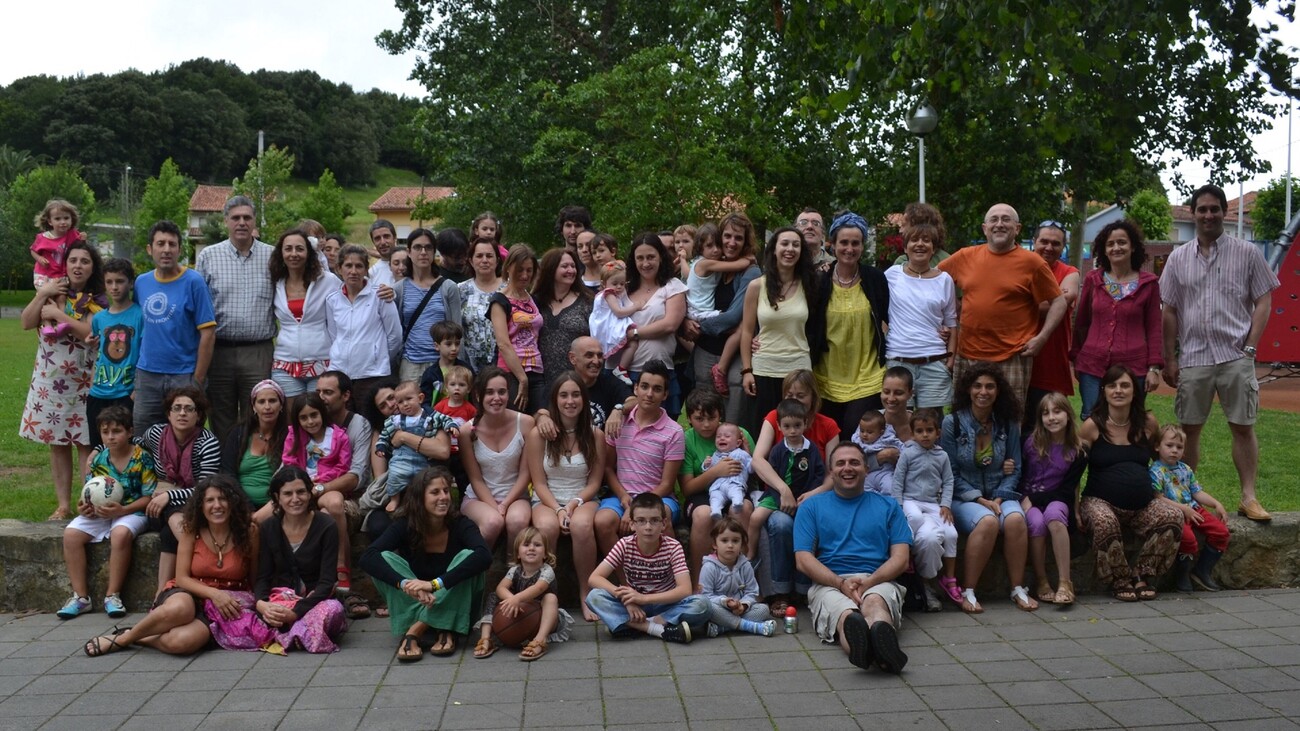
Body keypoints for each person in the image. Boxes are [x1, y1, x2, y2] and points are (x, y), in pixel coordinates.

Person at [1160, 184, 1279, 522]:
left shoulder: (1247, 252)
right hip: (1194, 357)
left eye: (1214, 209)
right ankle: (1185, 497)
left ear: (1224, 212)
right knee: (1189, 430)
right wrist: (1170, 357)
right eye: (1202, 209)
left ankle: (1249, 497)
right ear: (1194, 213)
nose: (1208, 215)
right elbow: (1168, 310)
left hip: (1234, 355)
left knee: (1242, 426)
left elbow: (1264, 300)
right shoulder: (1178, 258)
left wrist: (1251, 346)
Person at [84, 475, 261, 657]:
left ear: (233, 502)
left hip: (226, 601)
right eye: (210, 500)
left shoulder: (249, 532)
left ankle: (134, 635)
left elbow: (255, 577)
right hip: (188, 591)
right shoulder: (191, 529)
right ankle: (120, 640)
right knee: (182, 609)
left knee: (181, 643)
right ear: (201, 505)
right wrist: (214, 594)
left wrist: (261, 605)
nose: (217, 505)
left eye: (223, 499)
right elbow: (182, 578)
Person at [794, 442, 912, 673]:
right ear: (831, 472)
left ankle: (878, 648)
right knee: (847, 616)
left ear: (867, 469)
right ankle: (877, 654)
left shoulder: (888, 506)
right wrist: (840, 583)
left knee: (875, 603)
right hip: (830, 582)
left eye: (854, 463)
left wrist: (869, 582)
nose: (847, 468)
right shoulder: (811, 507)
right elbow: (803, 559)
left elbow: (901, 559)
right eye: (841, 463)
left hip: (877, 579)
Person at [937, 203, 1067, 409]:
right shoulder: (964, 257)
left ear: (1017, 228)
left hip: (1012, 355)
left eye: (1006, 219)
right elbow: (931, 283)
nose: (999, 224)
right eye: (994, 220)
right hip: (968, 354)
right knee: (964, 418)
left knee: (1009, 422)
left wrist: (1042, 337)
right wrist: (943, 322)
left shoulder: (1033, 263)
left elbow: (1059, 301)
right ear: (984, 228)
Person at [361, 466, 492, 661]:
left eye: (446, 491)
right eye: (435, 492)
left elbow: (484, 556)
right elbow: (368, 557)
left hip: (454, 601)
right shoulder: (405, 524)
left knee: (468, 557)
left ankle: (417, 628)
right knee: (385, 558)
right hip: (417, 598)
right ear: (419, 497)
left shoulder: (461, 524)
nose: (444, 497)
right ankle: (440, 626)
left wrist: (434, 584)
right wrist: (405, 584)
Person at [1077, 365, 1183, 601]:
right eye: (1112, 386)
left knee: (1173, 517)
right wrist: (1074, 508)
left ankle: (1142, 574)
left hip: (1143, 505)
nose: (1118, 391)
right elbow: (1073, 471)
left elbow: (1161, 460)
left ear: (1134, 391)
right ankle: (1119, 580)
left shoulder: (1148, 423)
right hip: (1099, 500)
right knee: (1105, 523)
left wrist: (1174, 494)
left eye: (1125, 385)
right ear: (1103, 391)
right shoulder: (1092, 426)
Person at [20, 240, 105, 520]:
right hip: (50, 378)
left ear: (93, 267)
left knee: (85, 441)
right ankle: (63, 505)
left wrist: (58, 314)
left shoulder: (99, 298)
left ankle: (87, 502)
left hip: (85, 379)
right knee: (57, 442)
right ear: (65, 264)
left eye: (85, 261)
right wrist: (43, 292)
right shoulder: (52, 290)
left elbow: (88, 331)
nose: (78, 266)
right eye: (73, 260)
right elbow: (26, 321)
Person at [941, 364, 1035, 613]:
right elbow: (949, 472)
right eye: (978, 386)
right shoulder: (953, 423)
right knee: (988, 522)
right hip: (965, 497)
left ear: (998, 391)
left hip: (1000, 494)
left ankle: (1017, 588)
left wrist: (1001, 499)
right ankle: (969, 590)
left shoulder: (1008, 424)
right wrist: (982, 500)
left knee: (1015, 520)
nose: (983, 392)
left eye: (990, 386)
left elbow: (1015, 467)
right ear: (968, 390)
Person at [57, 406, 157, 620]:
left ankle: (113, 595)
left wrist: (123, 510)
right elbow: (88, 492)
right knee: (71, 535)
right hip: (101, 512)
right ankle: (81, 597)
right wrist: (83, 507)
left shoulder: (142, 458)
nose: (111, 437)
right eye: (105, 432)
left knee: (120, 534)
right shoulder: (98, 460)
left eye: (117, 431)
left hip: (133, 510)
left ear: (130, 432)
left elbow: (149, 497)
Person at [524, 372, 606, 620]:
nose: (570, 401)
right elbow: (538, 482)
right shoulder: (539, 435)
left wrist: (574, 503)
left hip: (583, 498)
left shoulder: (595, 435)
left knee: (582, 526)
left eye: (575, 394)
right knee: (546, 528)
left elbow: (595, 481)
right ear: (554, 400)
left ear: (584, 398)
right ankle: (546, 595)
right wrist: (558, 509)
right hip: (547, 499)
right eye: (564, 395)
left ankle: (586, 593)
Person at [197, 195, 275, 443]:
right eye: (236, 218)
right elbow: (198, 306)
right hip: (219, 351)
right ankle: (224, 475)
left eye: (247, 217)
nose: (241, 222)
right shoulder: (208, 256)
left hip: (258, 351)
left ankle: (253, 471)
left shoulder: (272, 256)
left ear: (254, 221)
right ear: (226, 222)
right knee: (221, 415)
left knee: (260, 412)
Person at [585, 492, 709, 643]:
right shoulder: (624, 544)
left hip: (665, 605)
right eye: (641, 521)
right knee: (594, 597)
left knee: (703, 605)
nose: (648, 527)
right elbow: (594, 578)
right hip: (635, 604)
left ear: (664, 524)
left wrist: (644, 598)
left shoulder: (673, 546)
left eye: (654, 521)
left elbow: (684, 589)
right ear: (632, 524)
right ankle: (658, 630)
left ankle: (631, 624)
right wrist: (627, 600)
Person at [809, 212, 891, 438]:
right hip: (826, 376)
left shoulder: (875, 279)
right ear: (832, 245)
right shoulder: (819, 281)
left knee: (854, 439)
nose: (849, 248)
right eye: (843, 242)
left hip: (867, 375)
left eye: (856, 243)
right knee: (831, 444)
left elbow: (887, 317)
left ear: (863, 246)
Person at [1070, 219, 1162, 417]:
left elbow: (1154, 327)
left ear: (1133, 246)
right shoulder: (1093, 280)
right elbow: (1081, 322)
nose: (1116, 248)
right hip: (1092, 367)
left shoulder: (1149, 284)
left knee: (1130, 422)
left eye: (1122, 242)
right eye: (1110, 244)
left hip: (1134, 369)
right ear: (1103, 250)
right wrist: (1077, 358)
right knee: (1092, 418)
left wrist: (1154, 367)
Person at [132, 220, 216, 436]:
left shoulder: (193, 282)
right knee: (143, 436)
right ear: (150, 249)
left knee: (186, 437)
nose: (166, 249)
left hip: (183, 374)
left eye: (172, 244)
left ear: (180, 249)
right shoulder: (141, 282)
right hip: (148, 374)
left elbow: (207, 333)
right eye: (161, 244)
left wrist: (197, 379)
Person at [254, 466, 348, 653]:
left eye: (301, 492)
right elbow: (263, 576)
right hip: (282, 598)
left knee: (333, 610)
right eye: (287, 494)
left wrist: (295, 612)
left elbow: (327, 582)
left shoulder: (325, 525)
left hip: (315, 602)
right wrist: (261, 604)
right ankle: (299, 634)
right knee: (263, 613)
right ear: (277, 498)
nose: (295, 499)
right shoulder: (269, 528)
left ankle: (288, 633)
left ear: (309, 493)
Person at [597, 361, 685, 555]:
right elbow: (608, 468)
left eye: (657, 389)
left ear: (665, 394)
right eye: (644, 387)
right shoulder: (618, 423)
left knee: (659, 520)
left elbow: (667, 484)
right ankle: (624, 581)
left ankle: (671, 576)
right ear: (635, 388)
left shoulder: (674, 432)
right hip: (622, 495)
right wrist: (623, 496)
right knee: (602, 522)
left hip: (659, 496)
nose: (649, 394)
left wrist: (637, 507)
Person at [143, 386, 221, 592]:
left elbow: (204, 489)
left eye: (189, 409)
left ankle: (161, 592)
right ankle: (204, 554)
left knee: (170, 531)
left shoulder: (208, 443)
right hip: (157, 505)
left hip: (193, 502)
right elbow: (133, 446)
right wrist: (98, 449)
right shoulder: (155, 434)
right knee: (167, 509)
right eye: (176, 408)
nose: (182, 413)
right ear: (168, 413)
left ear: (199, 415)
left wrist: (169, 495)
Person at [686, 214, 760, 426]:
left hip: (736, 353)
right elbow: (688, 294)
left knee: (732, 417)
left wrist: (700, 326)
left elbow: (734, 317)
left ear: (746, 241)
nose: (731, 242)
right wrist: (684, 322)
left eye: (738, 238)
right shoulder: (714, 266)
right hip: (705, 352)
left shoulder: (749, 271)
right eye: (727, 236)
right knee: (703, 416)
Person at [313, 371, 377, 606]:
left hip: (347, 497)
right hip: (305, 492)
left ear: (346, 395)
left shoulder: (358, 424)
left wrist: (320, 489)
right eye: (318, 392)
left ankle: (338, 582)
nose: (321, 398)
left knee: (329, 512)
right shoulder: (309, 417)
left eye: (328, 392)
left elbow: (356, 477)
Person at [679, 389, 756, 585]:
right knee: (704, 515)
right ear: (689, 419)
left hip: (737, 487)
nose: (706, 424)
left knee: (742, 509)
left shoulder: (738, 432)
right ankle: (699, 582)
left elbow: (756, 470)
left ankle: (744, 581)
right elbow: (687, 488)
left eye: (711, 418)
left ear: (720, 415)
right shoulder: (687, 439)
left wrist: (749, 457)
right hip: (702, 493)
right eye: (699, 418)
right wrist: (715, 471)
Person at [740, 227, 816, 419]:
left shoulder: (810, 285)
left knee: (797, 430)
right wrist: (747, 370)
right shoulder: (757, 286)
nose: (790, 249)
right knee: (763, 428)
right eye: (784, 243)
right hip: (764, 368)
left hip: (799, 369)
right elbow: (747, 331)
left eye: (796, 245)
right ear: (774, 249)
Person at [884, 212, 957, 408]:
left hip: (934, 362)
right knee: (898, 422)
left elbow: (952, 321)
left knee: (931, 426)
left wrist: (950, 360)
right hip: (898, 361)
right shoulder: (892, 275)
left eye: (926, 240)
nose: (920, 244)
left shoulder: (944, 280)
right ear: (905, 247)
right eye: (914, 240)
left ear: (933, 249)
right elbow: (879, 311)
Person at [1019, 393, 1085, 605]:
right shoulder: (1030, 443)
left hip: (1057, 498)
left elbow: (1067, 490)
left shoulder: (1079, 451)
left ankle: (1065, 582)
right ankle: (1041, 580)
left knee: (1054, 515)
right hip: (1028, 499)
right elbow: (1020, 475)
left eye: (1057, 411)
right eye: (1046, 413)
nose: (1052, 418)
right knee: (1037, 522)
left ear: (1068, 414)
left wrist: (1035, 498)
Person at [891, 409, 958, 611]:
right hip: (910, 500)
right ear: (913, 434)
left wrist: (946, 504)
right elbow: (897, 480)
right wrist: (898, 506)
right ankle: (907, 549)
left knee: (951, 533)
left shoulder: (942, 455)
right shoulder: (908, 453)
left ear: (938, 433)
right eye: (919, 431)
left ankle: (948, 578)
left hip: (932, 503)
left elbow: (948, 481)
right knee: (914, 517)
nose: (925, 435)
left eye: (930, 430)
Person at [460, 367, 535, 548]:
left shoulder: (525, 423)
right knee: (493, 523)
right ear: (478, 395)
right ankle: (479, 568)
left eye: (502, 392)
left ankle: (512, 567)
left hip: (516, 495)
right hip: (479, 497)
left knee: (517, 521)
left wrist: (505, 504)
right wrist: (495, 507)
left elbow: (526, 474)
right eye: (489, 392)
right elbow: (475, 478)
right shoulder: (466, 432)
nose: (496, 398)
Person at [1151, 425, 1231, 593]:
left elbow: (1197, 492)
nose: (1174, 451)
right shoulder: (1155, 471)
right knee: (1188, 540)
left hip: (1193, 509)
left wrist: (1216, 504)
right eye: (1169, 445)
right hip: (1175, 513)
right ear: (1157, 446)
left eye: (1179, 447)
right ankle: (1182, 575)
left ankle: (1202, 571)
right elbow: (1157, 498)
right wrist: (1182, 509)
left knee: (1221, 532)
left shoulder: (1185, 469)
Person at [473, 527, 574, 661]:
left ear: (545, 554)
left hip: (544, 617)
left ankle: (540, 640)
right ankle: (486, 638)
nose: (531, 548)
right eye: (526, 545)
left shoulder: (547, 571)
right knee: (493, 596)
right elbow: (500, 587)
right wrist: (512, 599)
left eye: (537, 545)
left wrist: (517, 599)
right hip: (520, 614)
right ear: (518, 554)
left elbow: (538, 589)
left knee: (550, 598)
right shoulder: (515, 570)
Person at [617, 234, 688, 418]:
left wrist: (634, 334)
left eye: (651, 257)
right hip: (627, 372)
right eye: (640, 258)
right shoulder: (625, 289)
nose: (645, 263)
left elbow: (669, 325)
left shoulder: (672, 286)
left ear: (661, 257)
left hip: (661, 372)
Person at [747, 398, 825, 564]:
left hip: (803, 495)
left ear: (805, 424)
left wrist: (809, 494)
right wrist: (779, 498)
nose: (792, 431)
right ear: (779, 426)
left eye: (797, 425)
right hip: (777, 495)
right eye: (787, 426)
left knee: (810, 523)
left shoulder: (812, 450)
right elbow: (772, 477)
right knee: (755, 518)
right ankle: (750, 553)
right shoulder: (777, 450)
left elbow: (819, 474)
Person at [325, 244, 402, 410]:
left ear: (366, 269)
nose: (354, 271)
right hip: (341, 373)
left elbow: (395, 335)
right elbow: (334, 335)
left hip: (372, 374)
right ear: (339, 269)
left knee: (369, 422)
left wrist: (378, 355)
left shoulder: (380, 296)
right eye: (348, 266)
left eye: (359, 266)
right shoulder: (332, 300)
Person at [269, 227, 341, 397]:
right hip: (285, 363)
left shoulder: (327, 281)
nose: (294, 254)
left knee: (317, 419)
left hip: (322, 361)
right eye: (288, 249)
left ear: (309, 253)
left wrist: (384, 291)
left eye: (300, 249)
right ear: (281, 253)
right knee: (290, 420)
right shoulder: (275, 283)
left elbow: (352, 294)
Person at [1025, 221, 1080, 421]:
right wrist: (1054, 300)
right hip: (1017, 362)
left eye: (1056, 244)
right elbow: (1058, 301)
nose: (1049, 247)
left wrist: (1021, 305)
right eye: (1044, 241)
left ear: (1063, 247)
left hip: (1052, 367)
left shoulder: (1069, 272)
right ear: (1034, 242)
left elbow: (1066, 298)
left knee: (1052, 427)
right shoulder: (1019, 268)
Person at [86, 258, 143, 448]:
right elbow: (98, 353)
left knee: (124, 448)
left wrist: (134, 393)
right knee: (99, 448)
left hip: (125, 394)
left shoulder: (140, 315)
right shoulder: (99, 318)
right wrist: (92, 384)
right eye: (109, 282)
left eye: (119, 281)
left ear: (131, 283)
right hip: (98, 394)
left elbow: (145, 354)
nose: (114, 287)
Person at [396, 227, 463, 382]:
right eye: (418, 247)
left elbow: (457, 329)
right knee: (410, 405)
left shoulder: (448, 287)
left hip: (442, 362)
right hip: (410, 363)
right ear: (409, 251)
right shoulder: (399, 289)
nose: (423, 252)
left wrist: (458, 364)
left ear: (434, 252)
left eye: (428, 247)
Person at [377, 381, 453, 513]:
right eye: (400, 402)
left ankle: (421, 504)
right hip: (402, 458)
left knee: (423, 481)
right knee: (395, 475)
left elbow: (445, 419)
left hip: (422, 459)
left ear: (420, 398)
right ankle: (394, 499)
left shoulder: (430, 417)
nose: (405, 404)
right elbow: (384, 434)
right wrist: (381, 446)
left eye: (409, 399)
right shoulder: (395, 420)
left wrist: (452, 427)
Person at [219, 380, 288, 523]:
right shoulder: (239, 434)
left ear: (281, 405)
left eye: (272, 401)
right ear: (254, 407)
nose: (267, 407)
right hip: (239, 502)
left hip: (277, 503)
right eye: (261, 402)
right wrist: (247, 506)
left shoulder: (289, 436)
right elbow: (228, 473)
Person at [534, 336, 632, 433]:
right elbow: (540, 413)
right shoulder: (559, 384)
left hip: (598, 445)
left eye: (599, 355)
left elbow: (634, 401)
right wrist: (542, 418)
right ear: (573, 358)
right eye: (589, 355)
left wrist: (619, 409)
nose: (596, 361)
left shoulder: (610, 383)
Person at [489, 244, 546, 413]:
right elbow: (503, 344)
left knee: (541, 418)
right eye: (520, 270)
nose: (524, 275)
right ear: (509, 268)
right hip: (511, 372)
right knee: (516, 421)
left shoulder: (533, 298)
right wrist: (522, 379)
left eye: (529, 270)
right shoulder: (499, 301)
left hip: (536, 368)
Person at [699, 517, 776, 637]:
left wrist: (743, 605)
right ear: (715, 544)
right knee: (708, 607)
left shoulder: (745, 565)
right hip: (719, 609)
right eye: (724, 541)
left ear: (742, 544)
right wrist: (725, 602)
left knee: (764, 610)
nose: (730, 545)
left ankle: (723, 628)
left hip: (739, 610)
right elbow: (705, 596)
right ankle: (751, 627)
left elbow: (752, 592)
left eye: (735, 541)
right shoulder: (709, 567)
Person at [533, 247, 595, 391]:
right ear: (551, 269)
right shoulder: (536, 302)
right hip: (542, 382)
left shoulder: (588, 301)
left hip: (577, 384)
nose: (571, 270)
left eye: (573, 266)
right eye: (565, 266)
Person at [30, 199, 84, 339]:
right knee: (45, 297)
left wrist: (83, 238)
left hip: (60, 273)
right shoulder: (43, 237)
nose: (63, 222)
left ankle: (61, 321)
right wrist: (39, 259)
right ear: (49, 221)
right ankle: (47, 324)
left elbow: (82, 247)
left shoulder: (72, 234)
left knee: (61, 296)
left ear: (72, 219)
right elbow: (33, 250)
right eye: (58, 219)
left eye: (66, 218)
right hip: (44, 273)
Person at [282, 393, 352, 487]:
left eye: (314, 415)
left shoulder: (340, 438)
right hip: (299, 484)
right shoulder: (293, 435)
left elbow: (343, 466)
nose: (310, 422)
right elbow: (289, 461)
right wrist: (303, 480)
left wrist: (321, 479)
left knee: (334, 501)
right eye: (303, 418)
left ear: (322, 413)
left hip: (328, 485)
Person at [590, 261, 642, 385]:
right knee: (633, 342)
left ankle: (620, 368)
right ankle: (621, 369)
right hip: (610, 326)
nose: (619, 287)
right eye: (615, 283)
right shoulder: (609, 294)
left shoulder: (605, 294)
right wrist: (636, 307)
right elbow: (618, 312)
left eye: (622, 284)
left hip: (605, 325)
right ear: (603, 283)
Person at [458, 238, 505, 373]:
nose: (484, 260)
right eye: (479, 256)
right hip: (468, 367)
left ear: (497, 260)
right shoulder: (460, 290)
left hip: (503, 365)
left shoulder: (509, 289)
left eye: (489, 256)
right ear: (471, 261)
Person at [704, 423, 752, 519]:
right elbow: (708, 471)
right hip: (718, 486)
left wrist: (751, 460)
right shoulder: (715, 455)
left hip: (734, 482)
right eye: (718, 436)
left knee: (736, 491)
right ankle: (716, 511)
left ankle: (737, 503)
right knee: (715, 497)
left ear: (738, 443)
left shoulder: (741, 453)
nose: (722, 438)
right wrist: (706, 465)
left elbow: (751, 467)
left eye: (727, 436)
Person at [418, 322, 472, 407]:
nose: (454, 348)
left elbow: (474, 397)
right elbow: (425, 402)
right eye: (448, 344)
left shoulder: (466, 369)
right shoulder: (430, 373)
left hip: (464, 416)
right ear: (437, 346)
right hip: (438, 416)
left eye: (457, 343)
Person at [852, 410, 904, 496]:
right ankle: (875, 501)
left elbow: (900, 447)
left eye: (869, 432)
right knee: (863, 491)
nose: (864, 434)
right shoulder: (857, 441)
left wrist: (902, 453)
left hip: (884, 473)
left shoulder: (887, 439)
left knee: (890, 488)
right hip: (866, 475)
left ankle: (887, 503)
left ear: (881, 432)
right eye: (862, 431)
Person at [431, 365, 476, 458]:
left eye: (462, 385)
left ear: (469, 389)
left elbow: (475, 429)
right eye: (453, 384)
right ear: (446, 387)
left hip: (462, 450)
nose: (457, 388)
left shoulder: (471, 409)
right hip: (444, 448)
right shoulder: (440, 407)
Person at [367, 219, 399, 288]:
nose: (383, 242)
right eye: (377, 238)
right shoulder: (372, 273)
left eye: (386, 236)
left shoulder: (411, 265)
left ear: (395, 237)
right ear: (373, 242)